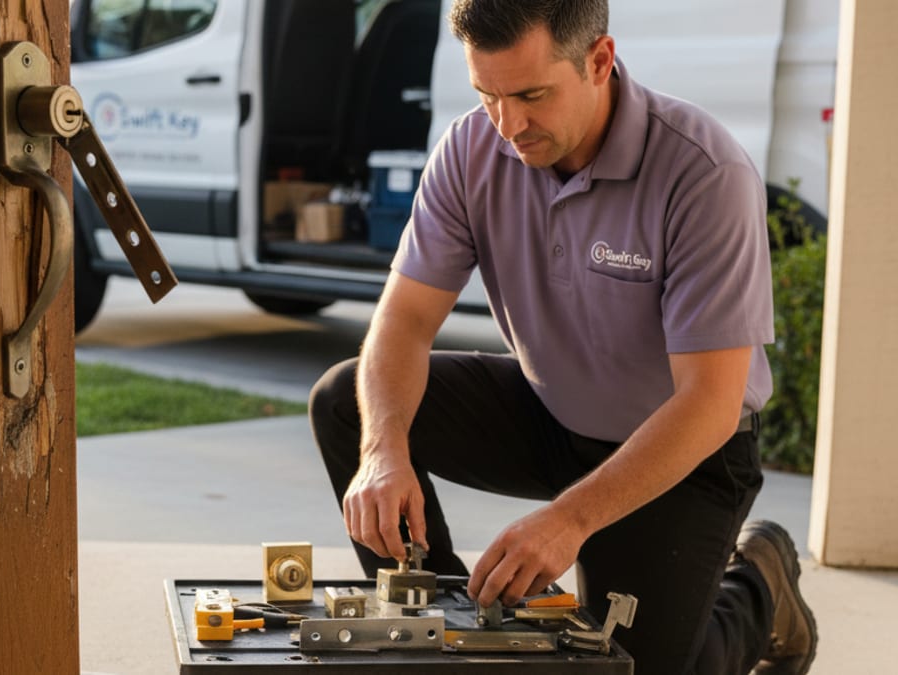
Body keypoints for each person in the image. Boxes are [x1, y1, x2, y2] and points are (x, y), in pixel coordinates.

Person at [309, 1, 818, 673]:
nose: (508, 124)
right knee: (349, 401)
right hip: (551, 413)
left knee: (621, 664)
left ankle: (757, 586)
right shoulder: (470, 149)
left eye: (531, 95)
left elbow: (709, 404)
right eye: (488, 94)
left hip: (686, 450)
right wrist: (382, 452)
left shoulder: (703, 174)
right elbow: (402, 321)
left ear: (599, 61)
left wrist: (568, 520)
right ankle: (447, 632)